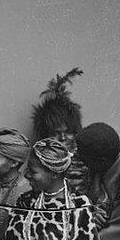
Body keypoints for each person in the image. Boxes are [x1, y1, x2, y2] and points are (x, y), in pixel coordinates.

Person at [31, 67, 89, 195]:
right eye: (56, 133)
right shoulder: (40, 162)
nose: (63, 138)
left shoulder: (86, 157)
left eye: (68, 131)